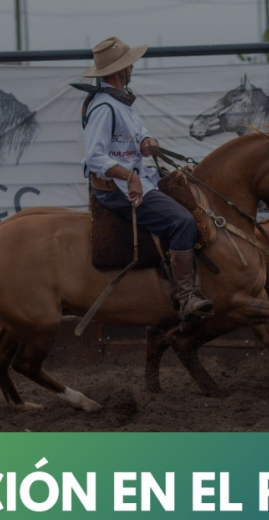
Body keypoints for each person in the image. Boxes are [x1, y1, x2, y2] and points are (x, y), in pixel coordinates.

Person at [74, 36, 212, 321]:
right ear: (118, 70)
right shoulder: (104, 108)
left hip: (135, 180)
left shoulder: (120, 100)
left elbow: (138, 132)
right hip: (117, 190)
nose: (133, 67)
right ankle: (186, 298)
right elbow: (95, 157)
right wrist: (129, 176)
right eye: (129, 63)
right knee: (183, 221)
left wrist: (148, 142)